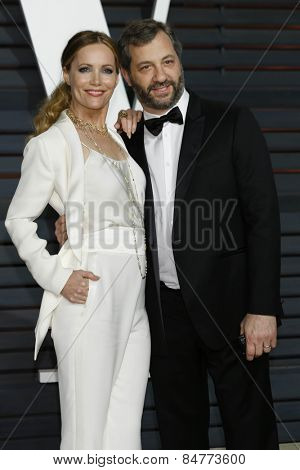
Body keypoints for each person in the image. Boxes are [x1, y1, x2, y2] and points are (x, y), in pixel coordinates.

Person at [55, 20, 283, 449]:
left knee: (251, 432)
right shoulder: (124, 137)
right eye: (145, 67)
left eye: (167, 62)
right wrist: (75, 220)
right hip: (162, 314)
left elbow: (264, 221)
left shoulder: (233, 121)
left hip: (232, 309)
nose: (160, 76)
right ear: (127, 75)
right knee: (180, 436)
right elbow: (107, 204)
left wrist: (263, 308)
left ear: (180, 63)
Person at [5, 30, 150, 450]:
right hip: (88, 298)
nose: (96, 80)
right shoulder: (50, 145)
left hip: (134, 302)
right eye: (85, 69)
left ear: (118, 77)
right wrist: (57, 276)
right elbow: (18, 218)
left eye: (107, 70)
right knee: (85, 438)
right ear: (67, 73)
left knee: (124, 436)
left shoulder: (122, 137)